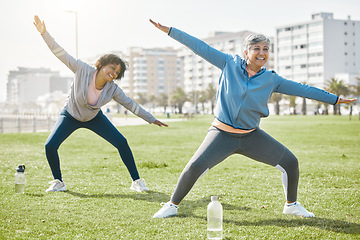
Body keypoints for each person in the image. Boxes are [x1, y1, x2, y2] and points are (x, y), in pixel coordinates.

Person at [150, 19, 357, 218]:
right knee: (194, 167)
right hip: (221, 134)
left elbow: (302, 89)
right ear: (246, 52)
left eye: (265, 49)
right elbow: (199, 46)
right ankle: (172, 205)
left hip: (251, 136)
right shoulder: (228, 63)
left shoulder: (271, 79)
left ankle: (291, 206)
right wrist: (170, 31)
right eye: (256, 48)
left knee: (290, 162)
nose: (261, 53)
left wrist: (334, 99)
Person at [33, 16, 168, 193]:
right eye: (112, 68)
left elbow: (131, 105)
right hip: (70, 115)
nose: (113, 73)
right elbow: (60, 53)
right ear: (102, 65)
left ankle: (137, 181)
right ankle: (58, 181)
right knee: (50, 146)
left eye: (117, 72)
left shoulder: (112, 89)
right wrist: (44, 33)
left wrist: (151, 119)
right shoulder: (82, 69)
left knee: (121, 142)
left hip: (94, 118)